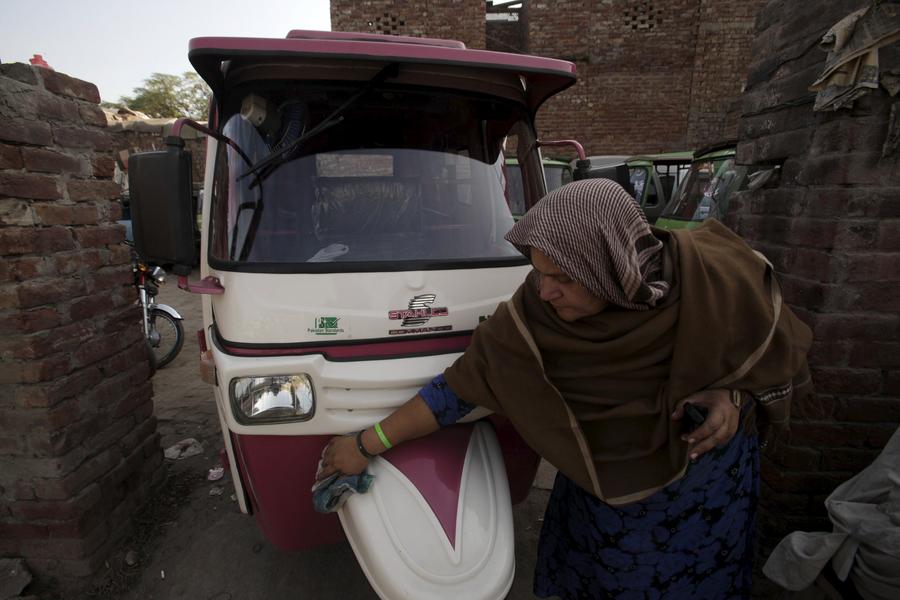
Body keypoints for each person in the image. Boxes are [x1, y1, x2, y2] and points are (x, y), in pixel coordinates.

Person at [317, 178, 813, 599]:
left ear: (613, 268)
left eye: (562, 279)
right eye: (538, 273)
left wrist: (735, 394)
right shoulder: (537, 317)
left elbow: (769, 349)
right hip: (604, 495)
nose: (545, 290)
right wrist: (366, 444)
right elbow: (460, 387)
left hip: (705, 500)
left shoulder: (715, 279)